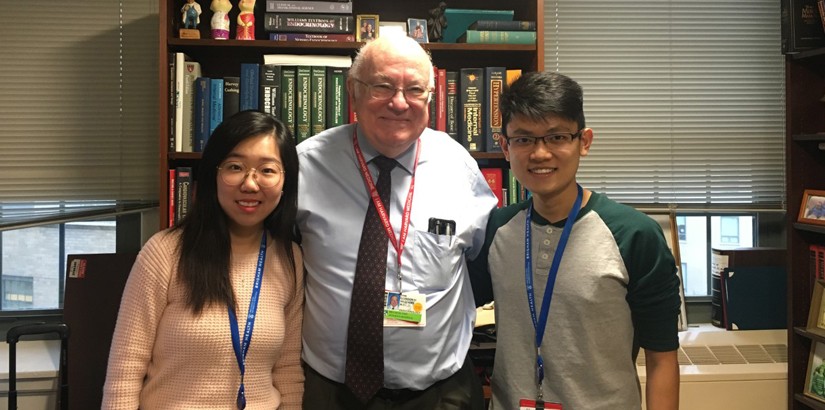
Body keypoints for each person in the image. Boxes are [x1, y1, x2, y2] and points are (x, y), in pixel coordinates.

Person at [297, 32, 497, 409]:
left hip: (439, 392)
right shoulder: (306, 165)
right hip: (330, 389)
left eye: (415, 90)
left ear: (430, 97)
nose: (399, 103)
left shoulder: (460, 168)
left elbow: (479, 260)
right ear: (353, 90)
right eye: (382, 86)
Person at [468, 71, 681, 410]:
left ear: (584, 141)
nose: (540, 153)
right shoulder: (498, 228)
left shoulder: (634, 234)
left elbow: (662, 358)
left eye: (556, 137)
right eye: (524, 139)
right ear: (505, 147)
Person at [102, 111, 304, 409]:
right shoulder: (166, 252)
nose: (250, 184)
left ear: (285, 180)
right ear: (214, 174)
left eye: (267, 170)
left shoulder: (290, 258)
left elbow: (288, 371)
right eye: (235, 166)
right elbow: (126, 368)